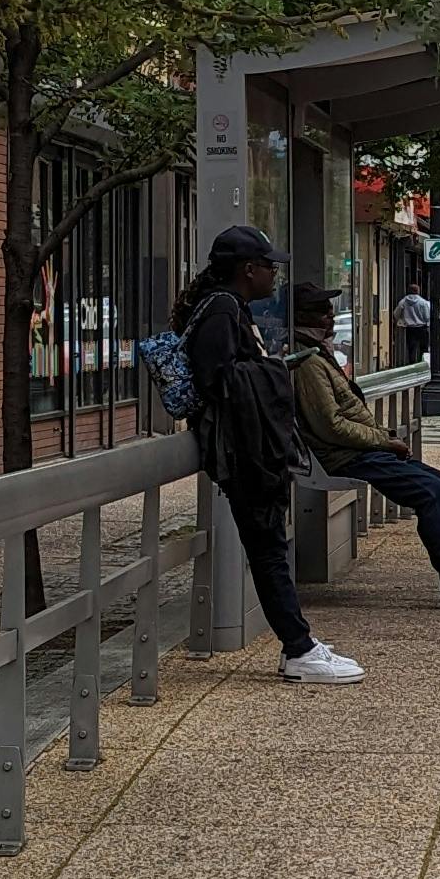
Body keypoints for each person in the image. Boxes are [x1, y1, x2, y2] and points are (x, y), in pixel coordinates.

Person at [174, 225, 364, 683]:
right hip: (245, 451)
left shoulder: (229, 306)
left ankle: (299, 642)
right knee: (268, 551)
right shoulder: (222, 309)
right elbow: (217, 380)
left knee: (270, 549)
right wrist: (274, 370)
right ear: (248, 269)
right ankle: (298, 648)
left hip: (250, 446)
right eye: (269, 266)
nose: (276, 274)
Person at [284, 284, 440, 610]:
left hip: (355, 450)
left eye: (329, 309)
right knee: (429, 489)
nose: (331, 315)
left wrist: (383, 440)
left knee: (438, 482)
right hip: (345, 455)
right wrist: (384, 441)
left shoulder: (317, 355)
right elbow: (331, 424)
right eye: (322, 310)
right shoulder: (308, 363)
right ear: (305, 317)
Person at [396, 285, 431, 362]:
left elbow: (396, 313)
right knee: (423, 348)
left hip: (410, 328)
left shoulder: (403, 301)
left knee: (411, 348)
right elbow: (427, 316)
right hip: (422, 327)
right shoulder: (423, 302)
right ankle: (421, 362)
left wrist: (401, 319)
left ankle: (411, 363)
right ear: (418, 291)